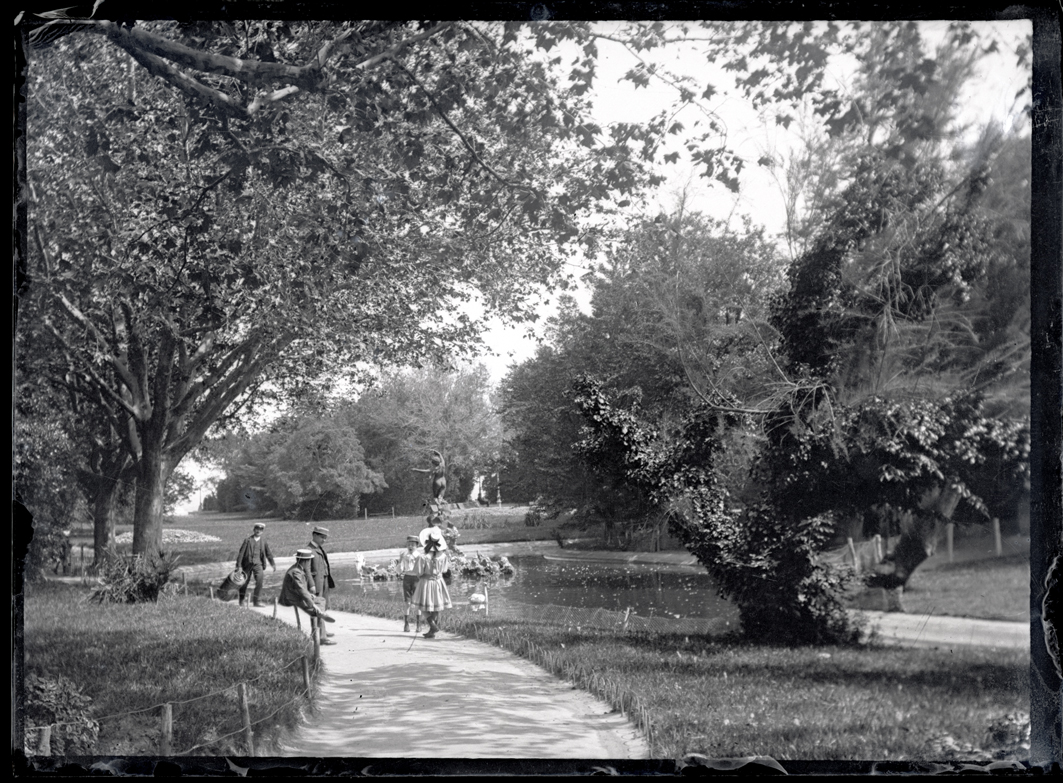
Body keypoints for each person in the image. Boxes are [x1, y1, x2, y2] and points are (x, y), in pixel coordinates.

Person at [279, 548, 336, 629]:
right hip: (291, 599)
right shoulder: (296, 572)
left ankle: (320, 613)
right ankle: (319, 618)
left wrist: (309, 595)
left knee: (321, 600)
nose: (310, 562)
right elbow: (301, 590)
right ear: (305, 561)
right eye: (309, 560)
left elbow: (301, 588)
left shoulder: (298, 569)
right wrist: (313, 605)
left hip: (297, 595)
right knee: (314, 608)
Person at [411, 531, 452, 639]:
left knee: (422, 605)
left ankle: (432, 625)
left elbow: (418, 572)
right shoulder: (443, 556)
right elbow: (444, 570)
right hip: (438, 582)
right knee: (436, 606)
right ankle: (432, 630)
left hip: (426, 581)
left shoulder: (422, 557)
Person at [307, 526, 336, 644]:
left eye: (325, 538)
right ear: (314, 535)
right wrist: (311, 584)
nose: (324, 540)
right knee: (318, 608)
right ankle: (322, 637)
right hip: (316, 584)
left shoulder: (318, 548)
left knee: (323, 607)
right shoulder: (309, 550)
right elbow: (306, 570)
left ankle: (321, 631)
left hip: (323, 581)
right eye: (321, 537)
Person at [236, 522, 276, 607]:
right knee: (244, 582)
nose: (258, 531)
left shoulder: (263, 541)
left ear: (262, 532)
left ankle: (256, 601)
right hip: (247, 564)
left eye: (260, 530)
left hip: (258, 564)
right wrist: (239, 566)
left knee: (259, 581)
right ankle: (241, 600)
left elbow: (268, 553)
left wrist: (273, 564)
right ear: (254, 530)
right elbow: (241, 554)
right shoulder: (247, 540)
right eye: (257, 529)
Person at [397, 535, 423, 633]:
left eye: (412, 545)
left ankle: (418, 625)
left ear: (417, 546)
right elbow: (399, 570)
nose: (410, 547)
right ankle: (406, 624)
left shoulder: (420, 556)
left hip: (416, 578)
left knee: (417, 603)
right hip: (407, 578)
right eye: (409, 544)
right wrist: (400, 560)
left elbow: (422, 569)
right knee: (407, 602)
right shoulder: (405, 556)